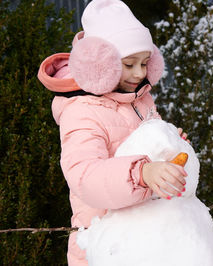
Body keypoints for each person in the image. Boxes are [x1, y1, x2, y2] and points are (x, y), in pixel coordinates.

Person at [38, 0, 188, 265]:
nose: (140, 72)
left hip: (143, 237)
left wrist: (169, 145)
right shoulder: (82, 110)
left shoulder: (139, 98)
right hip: (102, 245)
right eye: (129, 64)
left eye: (144, 63)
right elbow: (83, 175)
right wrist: (141, 173)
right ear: (99, 63)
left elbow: (145, 145)